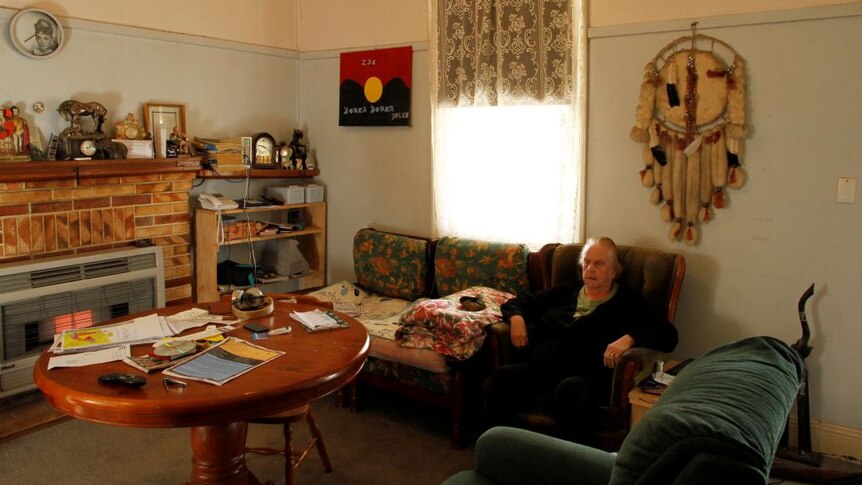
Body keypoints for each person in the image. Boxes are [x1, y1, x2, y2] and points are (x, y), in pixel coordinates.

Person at [484, 236, 678, 443]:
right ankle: (498, 448)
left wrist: (630, 338)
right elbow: (520, 302)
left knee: (571, 391)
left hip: (585, 374)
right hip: (543, 366)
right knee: (500, 379)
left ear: (615, 271)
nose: (590, 269)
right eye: (587, 262)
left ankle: (567, 463)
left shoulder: (627, 302)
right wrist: (516, 319)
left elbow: (667, 334)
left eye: (599, 264)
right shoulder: (567, 290)